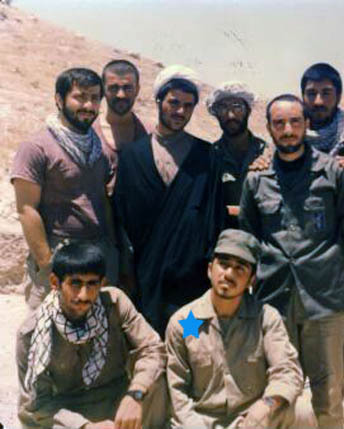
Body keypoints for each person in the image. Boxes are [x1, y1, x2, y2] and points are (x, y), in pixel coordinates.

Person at [240, 94, 344, 429]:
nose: (288, 130)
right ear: (269, 128)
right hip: (274, 305)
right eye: (279, 123)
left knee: (329, 397)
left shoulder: (332, 173)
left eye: (295, 122)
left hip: (324, 303)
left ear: (307, 124)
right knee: (277, 395)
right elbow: (249, 238)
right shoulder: (256, 179)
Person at [113, 65, 225, 334]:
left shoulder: (207, 156)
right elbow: (121, 220)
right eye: (174, 102)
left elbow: (215, 219)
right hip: (144, 278)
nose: (180, 111)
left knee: (191, 347)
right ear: (159, 101)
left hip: (191, 281)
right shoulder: (132, 156)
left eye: (188, 106)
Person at [166, 229, 317, 429]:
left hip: (254, 420)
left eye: (240, 268)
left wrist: (266, 405)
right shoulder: (183, 322)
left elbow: (287, 371)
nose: (229, 274)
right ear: (210, 269)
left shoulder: (265, 318)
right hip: (203, 422)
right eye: (223, 264)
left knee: (302, 412)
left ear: (251, 280)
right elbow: (177, 391)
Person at [16, 242, 167, 429]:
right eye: (75, 283)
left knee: (156, 380)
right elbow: (36, 405)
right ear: (55, 282)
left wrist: (135, 394)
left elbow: (153, 349)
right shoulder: (32, 333)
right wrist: (85, 426)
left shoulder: (115, 304)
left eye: (92, 284)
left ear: (102, 283)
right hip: (67, 414)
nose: (84, 295)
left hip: (117, 402)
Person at [11, 67, 118, 310]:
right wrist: (48, 265)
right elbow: (26, 209)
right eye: (80, 97)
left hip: (97, 253)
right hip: (59, 252)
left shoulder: (101, 150)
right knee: (47, 326)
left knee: (97, 326)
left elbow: (104, 201)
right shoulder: (37, 147)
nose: (88, 105)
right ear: (59, 99)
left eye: (95, 98)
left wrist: (111, 251)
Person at [301, 62, 344, 374]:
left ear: (338, 96)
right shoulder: (287, 137)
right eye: (311, 93)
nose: (319, 101)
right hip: (298, 260)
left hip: (340, 261)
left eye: (326, 93)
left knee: (337, 353)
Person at [207, 81, 270, 228]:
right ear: (216, 114)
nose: (230, 115)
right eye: (223, 108)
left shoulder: (267, 154)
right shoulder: (210, 156)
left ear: (248, 111)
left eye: (237, 107)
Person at [94, 59, 150, 193]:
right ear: (103, 90)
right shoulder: (87, 132)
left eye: (127, 88)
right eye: (113, 88)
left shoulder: (151, 136)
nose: (121, 95)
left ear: (137, 90)